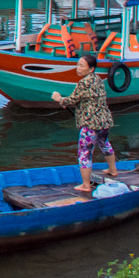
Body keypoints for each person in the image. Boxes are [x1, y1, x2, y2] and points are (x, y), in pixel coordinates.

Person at [52, 54, 118, 192]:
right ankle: (113, 170)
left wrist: (59, 99)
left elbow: (71, 100)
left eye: (82, 66)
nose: (78, 68)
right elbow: (87, 99)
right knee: (104, 143)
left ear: (91, 69)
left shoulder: (83, 83)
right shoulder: (97, 79)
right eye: (78, 65)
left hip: (90, 124)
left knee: (84, 152)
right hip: (104, 121)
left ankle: (86, 185)